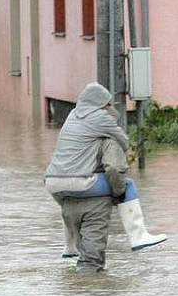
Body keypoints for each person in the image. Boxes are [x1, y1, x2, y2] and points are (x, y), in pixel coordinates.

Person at [44, 82, 166, 272]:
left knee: (69, 207)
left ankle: (69, 248)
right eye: (109, 103)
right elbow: (122, 143)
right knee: (128, 184)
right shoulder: (101, 118)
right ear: (102, 104)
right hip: (82, 182)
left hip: (53, 183)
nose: (111, 107)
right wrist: (119, 193)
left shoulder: (72, 116)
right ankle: (138, 236)